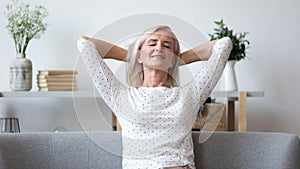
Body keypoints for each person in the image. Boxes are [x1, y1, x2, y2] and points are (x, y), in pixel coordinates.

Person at [77, 25, 232, 169]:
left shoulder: (190, 94)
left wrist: (175, 59)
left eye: (166, 45)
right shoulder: (120, 96)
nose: (159, 47)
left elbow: (223, 45)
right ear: (139, 55)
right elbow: (85, 44)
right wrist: (134, 56)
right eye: (152, 44)